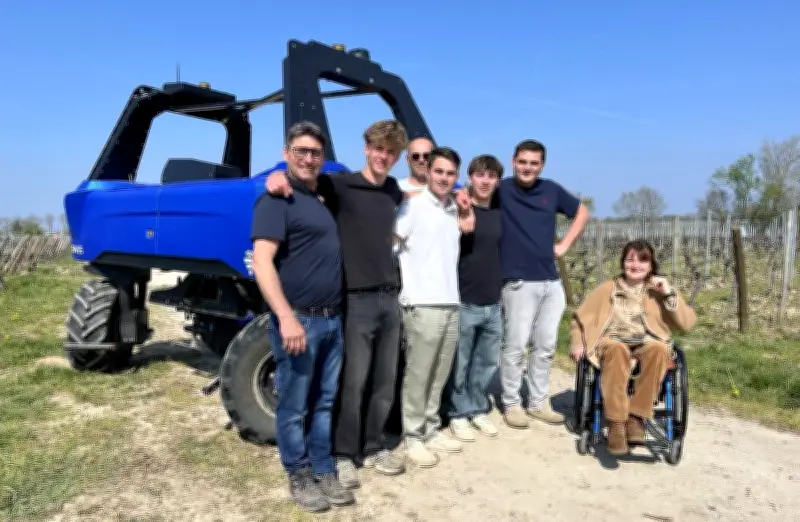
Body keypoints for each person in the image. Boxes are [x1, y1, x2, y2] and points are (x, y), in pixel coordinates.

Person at [265, 120, 409, 489]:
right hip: (355, 298)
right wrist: (276, 178)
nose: (383, 157)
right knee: (351, 382)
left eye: (391, 152)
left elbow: (418, 193)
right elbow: (299, 178)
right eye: (378, 148)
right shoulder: (338, 184)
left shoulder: (394, 190)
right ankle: (344, 454)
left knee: (384, 380)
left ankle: (374, 446)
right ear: (366, 148)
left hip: (389, 296)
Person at [250, 121, 354, 512]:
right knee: (294, 404)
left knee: (325, 402)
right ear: (286, 153)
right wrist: (286, 318)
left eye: (315, 152)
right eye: (301, 151)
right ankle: (298, 473)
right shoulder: (276, 200)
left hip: (332, 319)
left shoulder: (319, 196)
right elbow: (262, 262)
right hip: (300, 321)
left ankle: (324, 470)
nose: (308, 158)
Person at [494, 139, 591, 429]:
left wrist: (564, 245)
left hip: (551, 281)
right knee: (515, 345)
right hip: (518, 281)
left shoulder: (551, 189)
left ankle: (538, 402)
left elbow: (582, 212)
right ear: (513, 161)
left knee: (545, 345)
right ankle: (511, 403)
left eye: (533, 163)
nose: (527, 167)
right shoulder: (502, 189)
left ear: (542, 165)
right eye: (522, 162)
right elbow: (470, 196)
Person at [568, 240, 696, 455]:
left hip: (647, 340)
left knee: (659, 349)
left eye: (642, 260)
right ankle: (617, 424)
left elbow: (685, 324)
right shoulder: (607, 288)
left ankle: (636, 417)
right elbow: (580, 319)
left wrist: (669, 294)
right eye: (630, 260)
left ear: (651, 265)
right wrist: (578, 343)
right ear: (623, 263)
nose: (635, 265)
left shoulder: (658, 290)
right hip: (612, 340)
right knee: (617, 350)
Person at [394, 146, 475, 468]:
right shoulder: (411, 208)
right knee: (419, 373)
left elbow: (467, 227)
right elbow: (390, 244)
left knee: (439, 372)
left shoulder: (452, 209)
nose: (443, 177)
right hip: (421, 303)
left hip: (450, 301)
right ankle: (412, 436)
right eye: (438, 171)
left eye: (450, 173)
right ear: (428, 172)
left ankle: (430, 427)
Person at [445, 154, 504, 441]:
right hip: (465, 298)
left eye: (491, 176)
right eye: (480, 175)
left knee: (487, 362)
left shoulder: (499, 213)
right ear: (470, 178)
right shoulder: (457, 208)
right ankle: (457, 413)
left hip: (493, 301)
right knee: (461, 362)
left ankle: (477, 407)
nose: (485, 181)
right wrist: (459, 197)